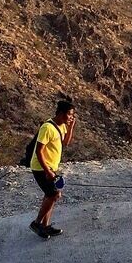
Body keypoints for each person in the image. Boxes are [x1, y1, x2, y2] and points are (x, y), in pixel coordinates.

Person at [29, 98, 76, 239]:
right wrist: (48, 171)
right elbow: (39, 151)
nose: (71, 117)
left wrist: (71, 126)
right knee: (54, 195)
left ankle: (45, 226)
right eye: (69, 114)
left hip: (51, 167)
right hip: (41, 168)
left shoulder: (61, 126)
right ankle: (36, 224)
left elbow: (65, 142)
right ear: (61, 113)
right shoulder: (47, 127)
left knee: (50, 196)